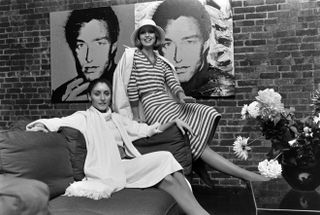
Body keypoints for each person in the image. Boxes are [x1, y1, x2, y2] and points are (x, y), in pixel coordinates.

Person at [112, 19, 269, 186]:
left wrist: (181, 96)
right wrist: (136, 116)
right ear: (138, 37)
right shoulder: (133, 57)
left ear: (156, 36)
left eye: (150, 32)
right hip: (152, 105)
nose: (147, 35)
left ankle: (199, 158)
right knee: (185, 132)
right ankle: (243, 174)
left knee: (207, 112)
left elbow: (172, 82)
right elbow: (132, 87)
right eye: (143, 32)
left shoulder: (161, 60)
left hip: (167, 101)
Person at [28, 78, 211, 215]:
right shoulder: (84, 117)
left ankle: (197, 211)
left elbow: (145, 130)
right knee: (165, 167)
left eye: (106, 93)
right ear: (89, 96)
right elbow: (59, 121)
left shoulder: (117, 118)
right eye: (97, 94)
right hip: (110, 168)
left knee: (167, 168)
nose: (102, 98)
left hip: (126, 165)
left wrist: (173, 121)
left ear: (110, 96)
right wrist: (41, 125)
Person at [152, 0, 235, 98]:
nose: (177, 58)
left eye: (188, 42)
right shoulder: (154, 86)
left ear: (205, 44)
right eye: (167, 44)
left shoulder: (226, 87)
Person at [51, 7, 119, 103]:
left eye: (99, 44)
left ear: (113, 47)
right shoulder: (61, 95)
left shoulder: (125, 86)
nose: (89, 58)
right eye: (81, 45)